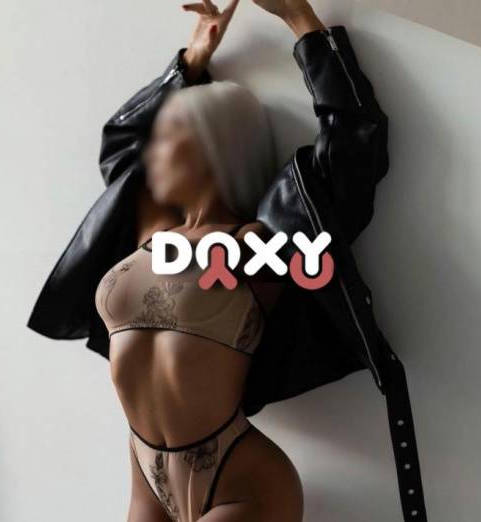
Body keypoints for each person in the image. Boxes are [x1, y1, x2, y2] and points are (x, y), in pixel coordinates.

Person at [94, 1, 333, 520]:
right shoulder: (152, 230)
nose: (152, 154)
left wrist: (300, 19)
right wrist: (191, 60)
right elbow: (121, 143)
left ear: (211, 150)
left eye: (169, 140)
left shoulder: (255, 246)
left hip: (238, 479)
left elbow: (347, 152)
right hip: (145, 475)